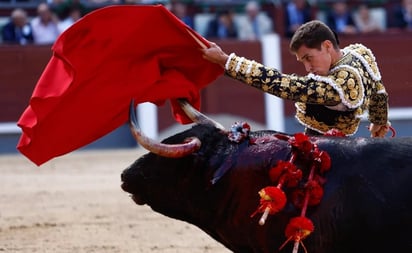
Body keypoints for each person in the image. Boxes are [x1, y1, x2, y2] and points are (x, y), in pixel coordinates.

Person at [201, 20, 389, 137]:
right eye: (302, 61)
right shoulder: (359, 53)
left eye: (309, 58)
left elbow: (282, 84)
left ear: (327, 45)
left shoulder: (337, 87)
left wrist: (226, 61)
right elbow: (378, 89)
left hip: (330, 153)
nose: (308, 69)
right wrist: (379, 120)